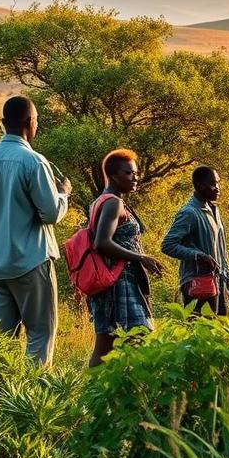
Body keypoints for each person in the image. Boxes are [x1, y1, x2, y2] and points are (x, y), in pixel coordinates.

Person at [0, 96, 71, 366]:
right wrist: (63, 195)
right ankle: (32, 399)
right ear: (31, 122)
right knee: (40, 334)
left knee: (0, 343)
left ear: (4, 123)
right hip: (30, 262)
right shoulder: (33, 162)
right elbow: (50, 213)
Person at [86, 149, 164, 367]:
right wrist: (141, 257)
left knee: (105, 345)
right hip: (119, 283)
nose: (135, 177)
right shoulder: (112, 203)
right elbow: (102, 242)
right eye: (128, 173)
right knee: (141, 339)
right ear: (113, 176)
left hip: (113, 283)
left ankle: (92, 395)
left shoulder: (101, 201)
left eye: (136, 172)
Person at [161, 166, 229, 315]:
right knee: (200, 333)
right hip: (198, 284)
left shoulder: (214, 210)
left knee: (220, 332)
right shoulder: (189, 213)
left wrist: (228, 278)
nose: (217, 188)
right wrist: (198, 255)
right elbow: (167, 245)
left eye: (218, 183)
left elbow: (221, 250)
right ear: (200, 186)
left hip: (217, 281)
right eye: (213, 184)